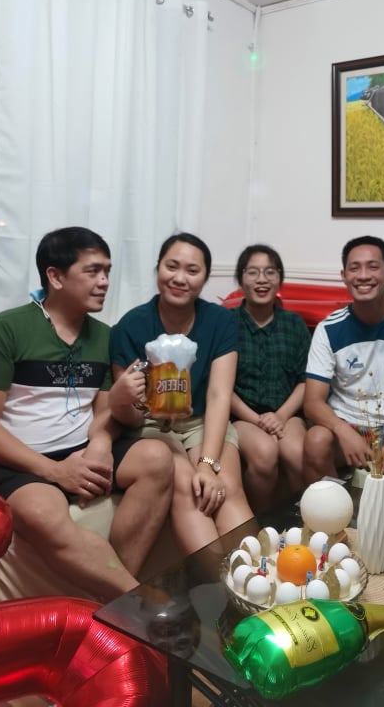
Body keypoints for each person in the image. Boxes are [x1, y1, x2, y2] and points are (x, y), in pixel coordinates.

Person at [0, 227, 173, 602]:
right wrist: (54, 471)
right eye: (93, 271)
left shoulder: (103, 336)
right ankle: (135, 600)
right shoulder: (8, 329)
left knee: (157, 458)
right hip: (17, 462)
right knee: (41, 513)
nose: (104, 281)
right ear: (55, 276)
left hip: (80, 447)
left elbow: (104, 412)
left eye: (107, 271)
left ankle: (116, 595)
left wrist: (100, 443)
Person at [108, 232, 253, 556]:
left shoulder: (220, 321)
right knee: (190, 487)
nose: (179, 278)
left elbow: (218, 396)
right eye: (171, 266)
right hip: (151, 425)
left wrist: (207, 464)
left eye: (192, 270)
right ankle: (219, 580)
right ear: (158, 267)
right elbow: (129, 414)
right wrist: (125, 397)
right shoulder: (131, 326)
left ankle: (257, 578)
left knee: (226, 487)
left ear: (205, 277)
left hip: (202, 420)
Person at [302, 235, 384, 499]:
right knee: (315, 440)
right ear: (344, 276)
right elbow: (312, 401)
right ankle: (336, 511)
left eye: (373, 267)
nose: (363, 276)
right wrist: (342, 431)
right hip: (345, 424)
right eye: (354, 268)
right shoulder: (329, 329)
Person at [229, 244, 310, 513]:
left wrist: (280, 416)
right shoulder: (226, 323)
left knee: (296, 454)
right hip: (242, 416)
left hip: (287, 413)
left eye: (270, 272)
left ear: (279, 279)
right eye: (253, 272)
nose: (262, 279)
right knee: (265, 453)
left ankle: (301, 521)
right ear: (241, 278)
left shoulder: (294, 324)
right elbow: (221, 385)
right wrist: (258, 420)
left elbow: (304, 380)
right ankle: (265, 523)